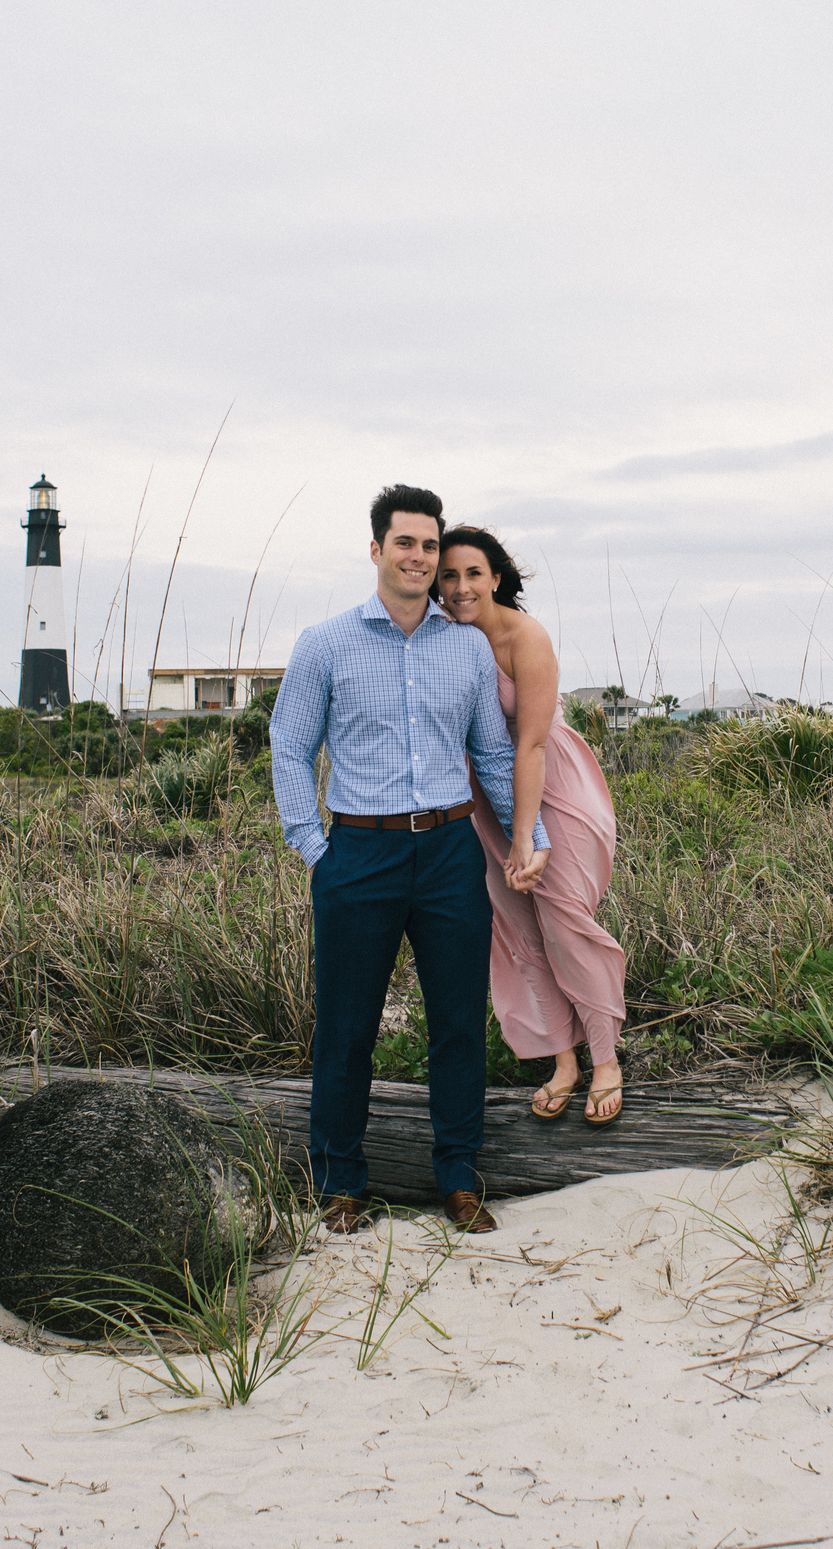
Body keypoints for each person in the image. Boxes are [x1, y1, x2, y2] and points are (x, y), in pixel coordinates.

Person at [270, 485, 547, 1236]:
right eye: (406, 543)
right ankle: (340, 1182)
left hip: (451, 851)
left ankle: (458, 1179)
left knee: (457, 1021)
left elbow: (493, 751)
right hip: (357, 852)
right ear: (376, 550)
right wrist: (315, 850)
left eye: (430, 545)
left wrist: (533, 836)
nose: (421, 557)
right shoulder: (325, 643)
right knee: (346, 1026)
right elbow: (291, 749)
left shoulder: (465, 646)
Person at [436, 527, 630, 1127]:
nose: (462, 586)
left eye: (474, 573)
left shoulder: (526, 637)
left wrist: (529, 834)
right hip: (485, 800)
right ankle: (563, 1061)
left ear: (496, 577)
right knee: (520, 932)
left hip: (553, 791)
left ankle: (606, 1061)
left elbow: (534, 743)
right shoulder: (444, 638)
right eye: (449, 575)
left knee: (566, 925)